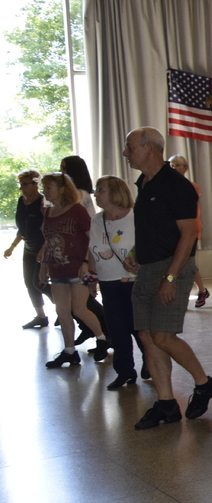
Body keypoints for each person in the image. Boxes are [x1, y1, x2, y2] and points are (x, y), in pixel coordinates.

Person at [124, 127, 212, 429]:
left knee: (163, 336)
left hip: (171, 267)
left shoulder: (178, 186)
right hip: (147, 267)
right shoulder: (144, 182)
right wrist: (136, 251)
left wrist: (170, 277)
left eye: (130, 147)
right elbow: (155, 227)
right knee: (146, 335)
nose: (126, 153)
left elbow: (188, 235)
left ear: (150, 148)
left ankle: (204, 384)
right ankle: (166, 403)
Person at [38, 172, 107, 368]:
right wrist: (44, 264)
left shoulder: (77, 210)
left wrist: (86, 262)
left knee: (79, 309)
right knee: (62, 311)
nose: (45, 191)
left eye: (49, 187)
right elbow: (48, 241)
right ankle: (69, 351)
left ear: (62, 189)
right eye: (44, 188)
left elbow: (91, 237)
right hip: (57, 269)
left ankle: (102, 338)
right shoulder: (48, 212)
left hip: (77, 268)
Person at [88, 176, 141, 389]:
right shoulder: (96, 220)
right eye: (96, 190)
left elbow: (146, 245)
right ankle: (125, 371)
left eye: (101, 190)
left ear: (116, 192)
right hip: (107, 281)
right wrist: (91, 277)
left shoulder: (135, 217)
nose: (96, 194)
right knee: (117, 329)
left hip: (132, 280)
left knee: (138, 328)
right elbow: (92, 248)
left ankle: (151, 362)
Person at [59, 154, 111, 335]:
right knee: (76, 300)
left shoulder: (80, 195)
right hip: (75, 250)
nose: (60, 172)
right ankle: (93, 328)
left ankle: (103, 329)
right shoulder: (78, 194)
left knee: (82, 300)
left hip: (82, 249)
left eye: (64, 168)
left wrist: (87, 260)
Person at [6, 169, 50, 328]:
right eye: (21, 184)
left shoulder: (42, 202)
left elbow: (49, 228)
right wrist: (12, 246)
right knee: (29, 282)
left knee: (39, 282)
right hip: (29, 247)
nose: (22, 188)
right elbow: (22, 228)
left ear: (35, 184)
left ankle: (64, 308)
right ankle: (41, 316)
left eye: (25, 184)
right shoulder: (21, 201)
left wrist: (43, 249)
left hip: (42, 247)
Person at [167, 155, 211, 308]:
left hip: (190, 230)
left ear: (185, 168)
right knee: (177, 263)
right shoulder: (168, 186)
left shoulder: (191, 186)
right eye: (172, 165)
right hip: (173, 231)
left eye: (178, 165)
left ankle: (201, 290)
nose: (174, 168)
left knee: (187, 262)